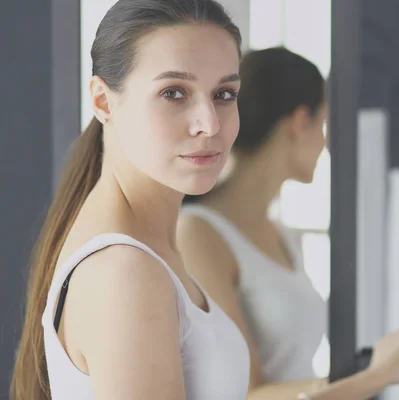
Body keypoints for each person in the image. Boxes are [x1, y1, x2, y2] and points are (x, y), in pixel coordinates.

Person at [10, 1, 251, 399]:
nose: (209, 124)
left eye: (224, 93)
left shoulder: (145, 248)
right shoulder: (125, 271)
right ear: (104, 102)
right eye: (174, 92)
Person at [177, 47, 399, 400]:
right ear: (299, 121)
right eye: (323, 124)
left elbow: (293, 377)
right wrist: (378, 375)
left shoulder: (281, 235)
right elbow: (248, 393)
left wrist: (374, 371)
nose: (326, 143)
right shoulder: (197, 233)